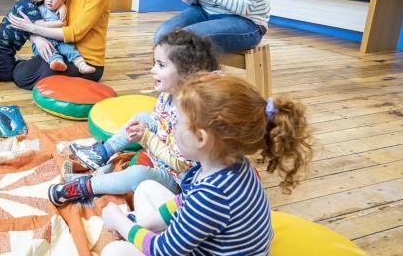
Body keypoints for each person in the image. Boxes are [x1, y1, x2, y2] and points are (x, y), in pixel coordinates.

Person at [100, 73, 313, 255]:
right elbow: (184, 201)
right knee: (147, 188)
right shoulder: (228, 165)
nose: (172, 129)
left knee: (114, 251)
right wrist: (138, 226)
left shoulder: (213, 194)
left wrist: (120, 222)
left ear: (201, 138)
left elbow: (163, 250)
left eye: (178, 123)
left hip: (180, 249)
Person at [48, 30, 218, 206]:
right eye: (155, 63)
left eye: (160, 65)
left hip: (178, 180)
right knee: (144, 117)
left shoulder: (190, 115)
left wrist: (146, 138)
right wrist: (144, 132)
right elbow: (161, 125)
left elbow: (180, 164)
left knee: (137, 174)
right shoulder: (167, 96)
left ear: (187, 73)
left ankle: (86, 187)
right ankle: (103, 152)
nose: (153, 70)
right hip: (163, 154)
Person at [33, 0, 96, 74]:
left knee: (70, 49)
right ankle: (57, 62)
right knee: (47, 51)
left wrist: (63, 6)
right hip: (45, 41)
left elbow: (65, 22)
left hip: (61, 40)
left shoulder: (62, 9)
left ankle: (81, 65)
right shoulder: (39, 10)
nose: (50, 0)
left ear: (63, 0)